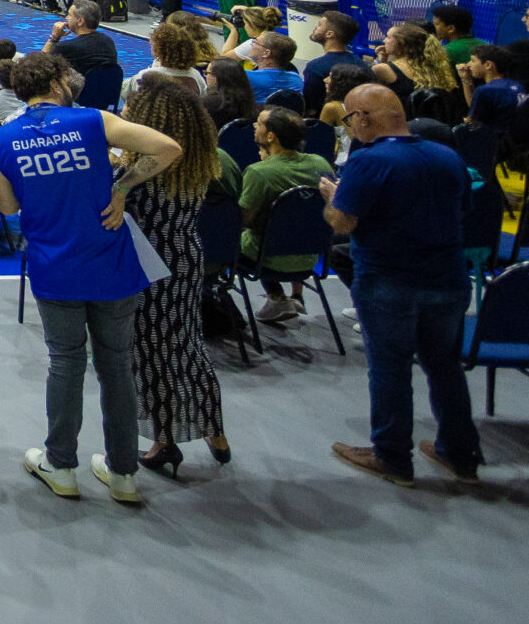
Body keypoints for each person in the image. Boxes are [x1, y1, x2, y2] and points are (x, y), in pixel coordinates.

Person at [0, 49, 184, 505]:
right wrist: (122, 187)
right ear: (58, 83)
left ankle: (61, 466)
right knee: (116, 366)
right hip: (109, 261)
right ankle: (124, 474)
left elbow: (8, 206)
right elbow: (168, 148)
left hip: (54, 266)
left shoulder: (0, 138)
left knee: (65, 364)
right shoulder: (94, 121)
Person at [322, 83, 482, 485]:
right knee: (445, 367)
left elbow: (343, 222)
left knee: (390, 368)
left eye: (349, 119)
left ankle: (392, 457)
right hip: (449, 278)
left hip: (388, 279)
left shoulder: (367, 161)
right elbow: (462, 210)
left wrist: (333, 197)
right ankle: (461, 455)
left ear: (362, 118)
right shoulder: (448, 156)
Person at [118, 75, 231, 476]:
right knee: (187, 343)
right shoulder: (198, 158)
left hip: (150, 263)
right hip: (186, 256)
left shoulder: (142, 171)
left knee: (152, 352)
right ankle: (214, 429)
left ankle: (164, 440)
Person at [238, 104, 329, 321]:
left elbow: (243, 220)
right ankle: (295, 296)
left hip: (267, 259)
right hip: (310, 257)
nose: (254, 126)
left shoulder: (259, 172)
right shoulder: (321, 163)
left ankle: (276, 297)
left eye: (259, 123)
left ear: (270, 136)